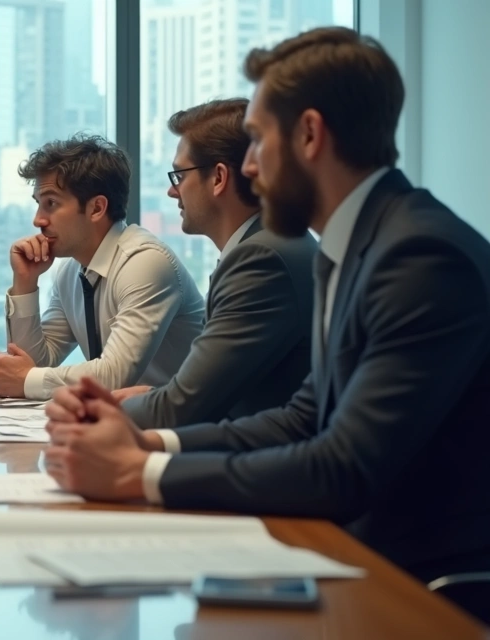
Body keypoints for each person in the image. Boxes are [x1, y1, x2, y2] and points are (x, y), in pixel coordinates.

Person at [44, 28, 490, 620]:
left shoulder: (419, 255)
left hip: (417, 582)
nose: (249, 165)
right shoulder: (354, 243)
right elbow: (305, 416)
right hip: (354, 550)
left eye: (256, 139)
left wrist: (142, 472)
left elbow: (343, 467)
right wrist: (148, 441)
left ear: (308, 134)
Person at [115, 99, 316, 430]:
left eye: (179, 175)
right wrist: (151, 395)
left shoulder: (261, 259)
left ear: (219, 177)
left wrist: (105, 410)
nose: (171, 191)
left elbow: (184, 409)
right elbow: (214, 391)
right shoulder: (269, 244)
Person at [0, 134, 205, 400]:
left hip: (183, 428)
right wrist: (25, 283)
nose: (38, 220)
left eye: (51, 204)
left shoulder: (144, 262)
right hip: (125, 423)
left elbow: (115, 374)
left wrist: (27, 380)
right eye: (38, 204)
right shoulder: (71, 271)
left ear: (97, 208)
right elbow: (31, 364)